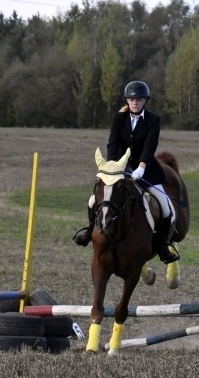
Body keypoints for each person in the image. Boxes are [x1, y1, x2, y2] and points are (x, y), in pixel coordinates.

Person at [73, 81, 179, 263]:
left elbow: (150, 146)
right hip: (119, 169)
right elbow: (113, 143)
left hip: (146, 170)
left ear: (145, 100)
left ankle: (162, 246)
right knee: (92, 201)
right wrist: (112, 168)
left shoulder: (153, 120)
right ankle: (90, 231)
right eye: (132, 99)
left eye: (139, 99)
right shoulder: (119, 119)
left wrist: (141, 167)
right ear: (127, 100)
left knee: (165, 206)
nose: (135, 102)